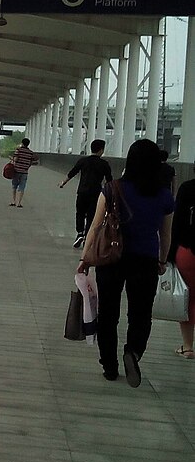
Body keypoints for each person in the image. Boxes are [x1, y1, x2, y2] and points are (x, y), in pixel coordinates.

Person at [77, 139, 174, 386]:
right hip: (146, 261)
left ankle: (109, 366)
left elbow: (95, 226)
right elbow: (165, 234)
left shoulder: (112, 188)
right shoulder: (164, 195)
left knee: (108, 314)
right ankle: (133, 351)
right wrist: (162, 260)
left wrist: (85, 258)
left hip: (111, 258)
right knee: (141, 315)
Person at [59, 140, 112, 248]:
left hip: (82, 191)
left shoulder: (83, 161)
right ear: (101, 150)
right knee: (91, 216)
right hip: (96, 193)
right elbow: (109, 180)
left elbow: (73, 172)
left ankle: (79, 233)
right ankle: (87, 236)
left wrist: (63, 182)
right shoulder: (104, 164)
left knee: (80, 213)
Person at [169, 171, 195, 359]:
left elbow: (176, 224)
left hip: (188, 251)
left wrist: (168, 256)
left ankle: (187, 347)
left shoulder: (187, 189)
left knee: (187, 299)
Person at [8, 138, 39, 207]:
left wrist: (11, 158)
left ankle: (13, 201)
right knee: (22, 187)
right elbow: (33, 160)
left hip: (16, 171)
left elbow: (15, 159)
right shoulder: (30, 153)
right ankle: (19, 203)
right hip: (24, 172)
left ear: (22, 143)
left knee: (14, 186)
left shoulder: (18, 150)